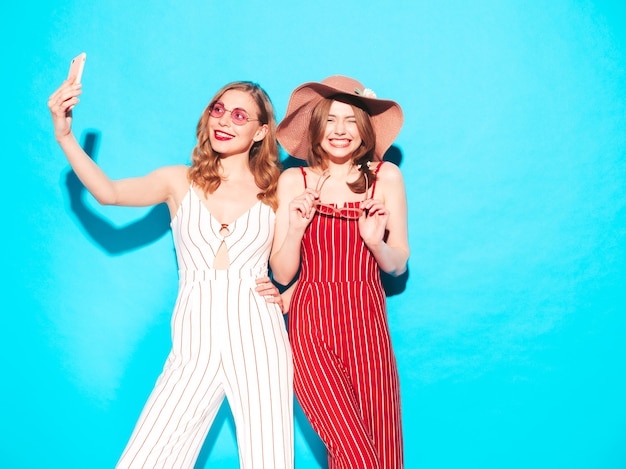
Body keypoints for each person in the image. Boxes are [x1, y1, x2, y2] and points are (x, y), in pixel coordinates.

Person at [48, 75, 293, 468]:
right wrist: (65, 135)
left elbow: (319, 251)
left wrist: (293, 292)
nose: (224, 121)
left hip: (259, 333)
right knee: (146, 458)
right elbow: (109, 193)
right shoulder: (178, 181)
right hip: (194, 336)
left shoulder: (281, 188)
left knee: (270, 459)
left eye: (239, 115)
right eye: (218, 110)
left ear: (261, 131)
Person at [270, 75, 408, 468]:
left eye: (350, 120)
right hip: (311, 322)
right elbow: (282, 273)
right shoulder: (292, 180)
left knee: (383, 450)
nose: (340, 130)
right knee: (353, 450)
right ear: (316, 127)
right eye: (330, 120)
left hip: (368, 324)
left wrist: (375, 242)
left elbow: (399, 264)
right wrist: (296, 227)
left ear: (363, 129)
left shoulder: (387, 177)